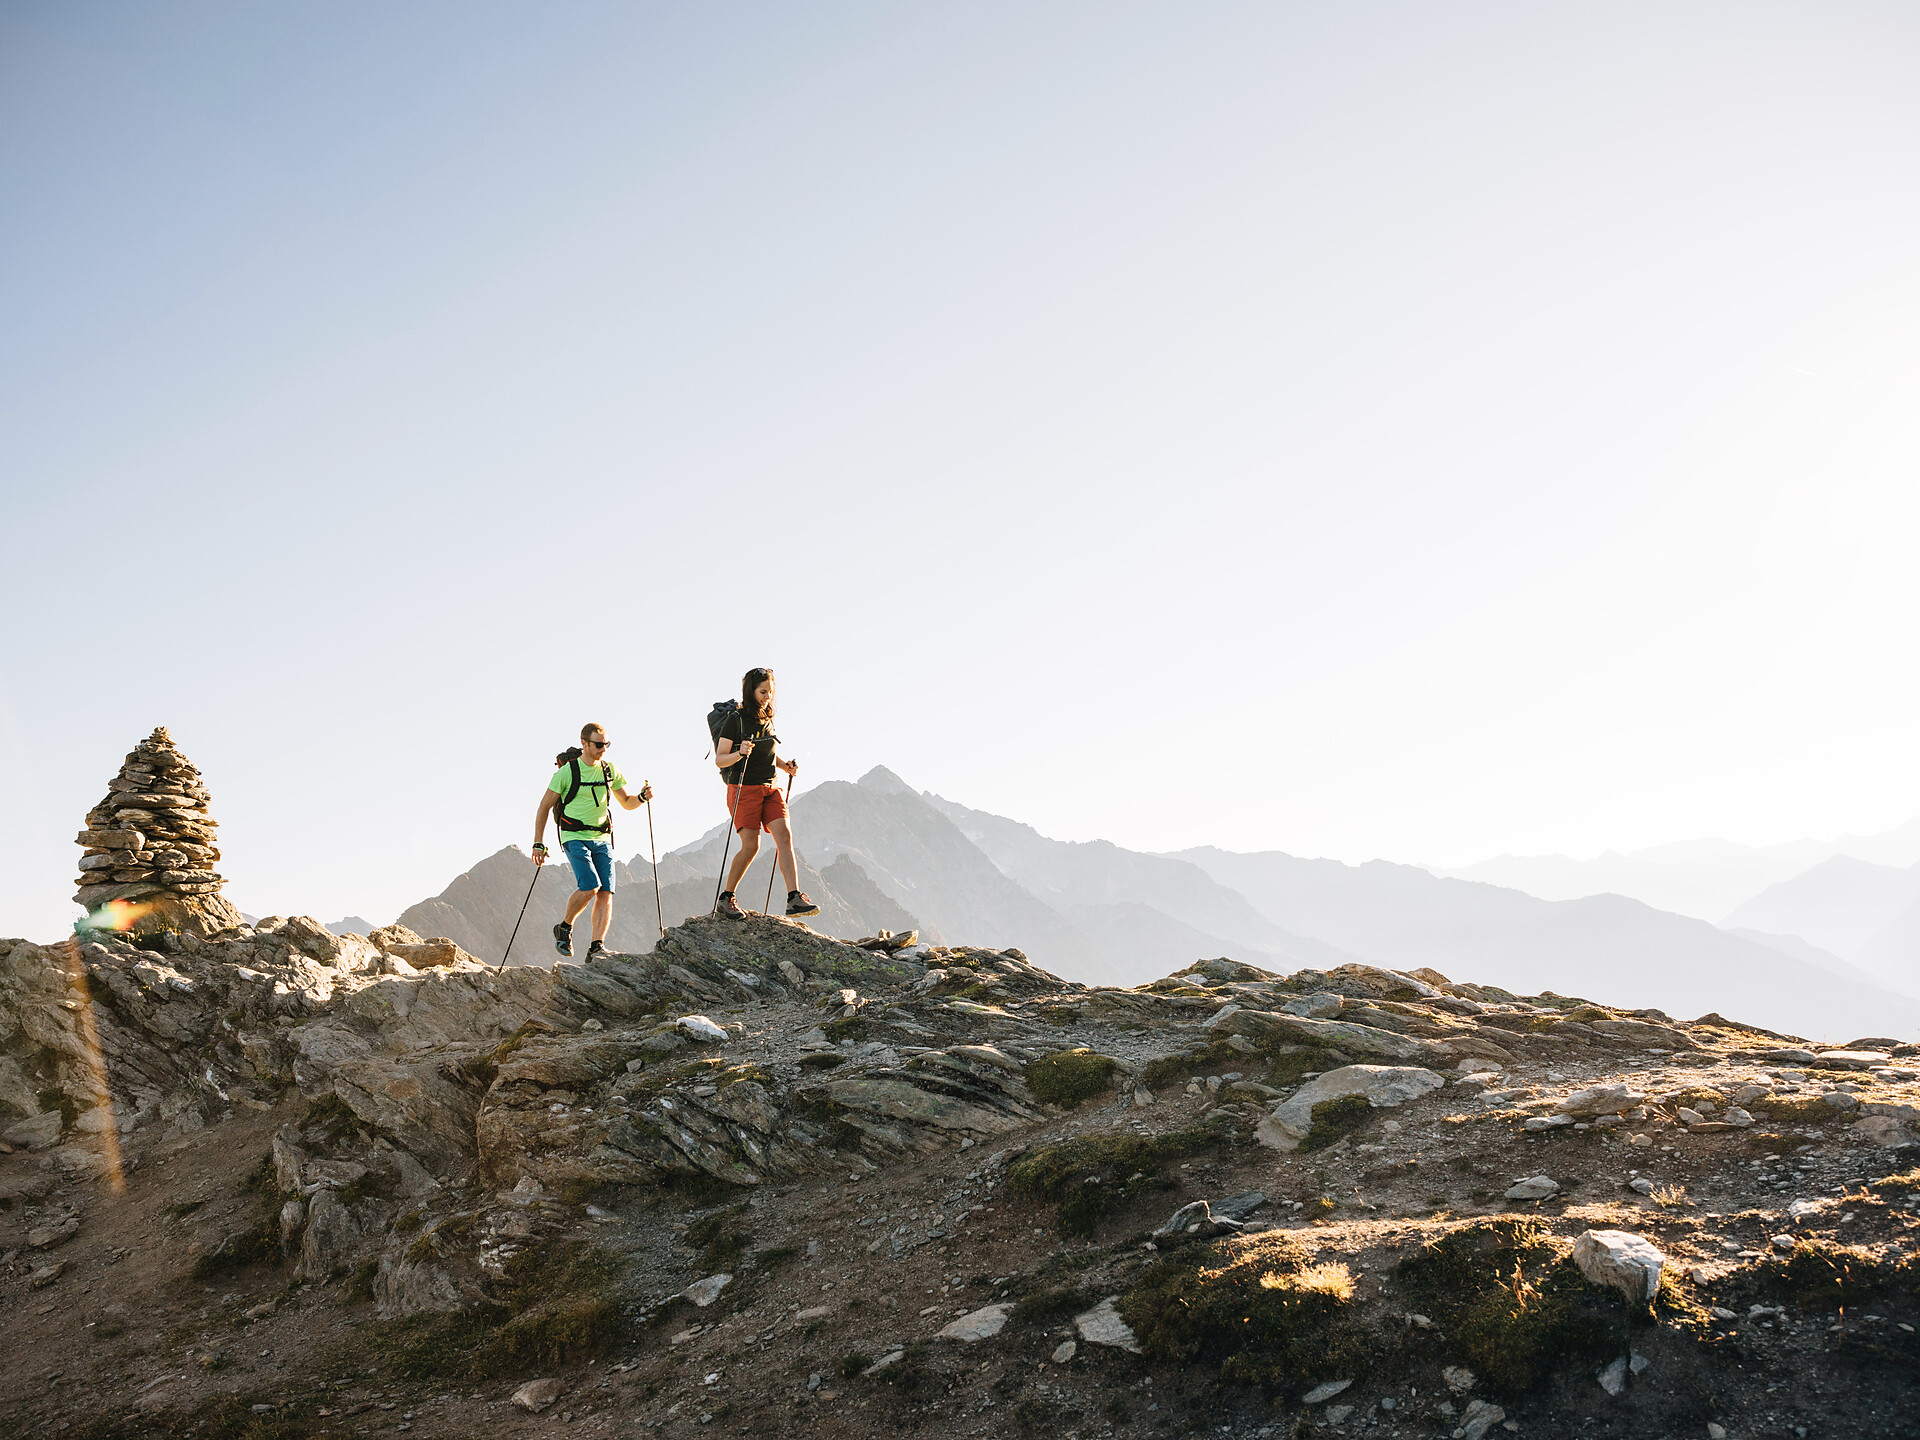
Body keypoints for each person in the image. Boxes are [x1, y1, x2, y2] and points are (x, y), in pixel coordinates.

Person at [532, 722, 653, 958]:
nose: (603, 749)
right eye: (598, 744)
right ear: (584, 743)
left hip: (602, 838)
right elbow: (544, 807)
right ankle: (564, 927)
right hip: (574, 836)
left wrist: (640, 797)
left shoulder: (609, 770)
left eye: (606, 744)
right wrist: (538, 842)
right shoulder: (567, 772)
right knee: (590, 886)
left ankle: (596, 947)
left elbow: (626, 802)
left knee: (606, 891)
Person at [714, 668, 820, 919]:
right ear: (750, 691)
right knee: (751, 846)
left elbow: (768, 752)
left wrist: (785, 767)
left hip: (770, 787)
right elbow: (720, 759)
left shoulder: (767, 718)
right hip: (744, 789)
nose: (767, 697)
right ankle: (726, 897)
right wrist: (739, 753)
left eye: (770, 692)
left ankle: (794, 897)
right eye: (763, 692)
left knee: (784, 836)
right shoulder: (736, 720)